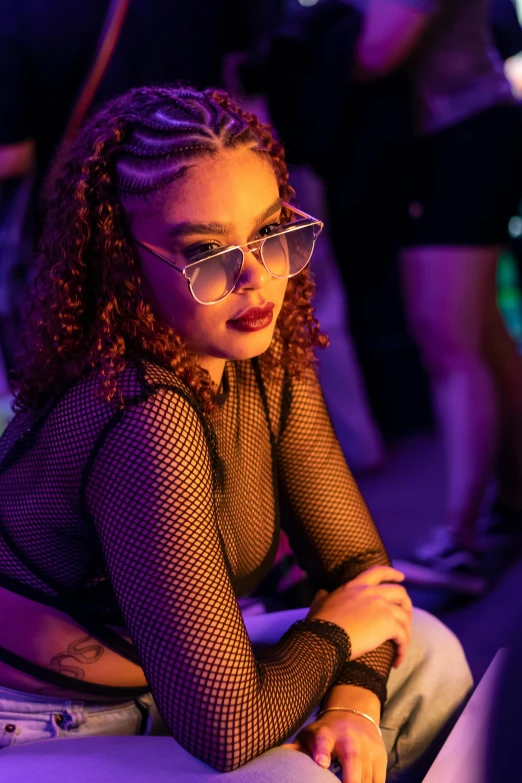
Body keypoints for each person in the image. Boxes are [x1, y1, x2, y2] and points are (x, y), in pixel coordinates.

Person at [0, 85, 472, 782]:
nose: (258, 281)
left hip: (167, 685)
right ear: (125, 262)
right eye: (208, 252)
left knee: (424, 649)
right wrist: (336, 631)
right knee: (291, 775)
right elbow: (229, 729)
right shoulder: (141, 413)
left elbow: (363, 575)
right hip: (42, 722)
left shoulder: (266, 352)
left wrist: (352, 705)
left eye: (270, 231)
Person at [349, 0, 522, 594]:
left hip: (464, 135)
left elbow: (376, 50)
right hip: (463, 134)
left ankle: (462, 537)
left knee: (448, 340)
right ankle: (513, 498)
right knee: (478, 331)